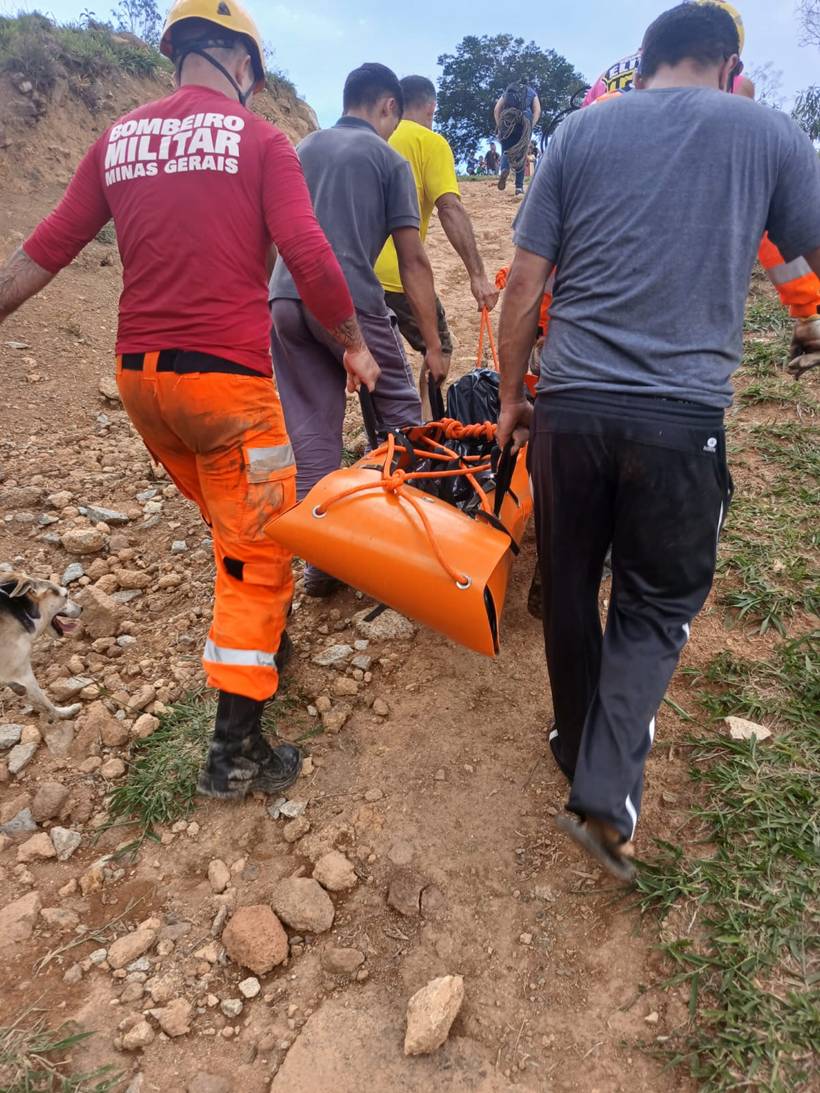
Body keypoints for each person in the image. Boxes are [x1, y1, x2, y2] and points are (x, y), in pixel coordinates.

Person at [0, 0, 381, 801]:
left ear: (178, 55)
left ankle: (263, 646)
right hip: (228, 385)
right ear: (244, 65)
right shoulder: (260, 139)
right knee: (259, 553)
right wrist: (351, 341)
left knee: (231, 515)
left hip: (145, 383)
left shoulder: (119, 139)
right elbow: (309, 254)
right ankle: (235, 752)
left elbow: (47, 248)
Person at [497, 1, 820, 880]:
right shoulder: (769, 134)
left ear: (648, 61)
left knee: (568, 587)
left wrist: (514, 400)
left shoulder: (575, 133)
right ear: (724, 63)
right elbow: (807, 257)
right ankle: (605, 787)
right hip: (680, 423)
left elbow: (523, 285)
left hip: (567, 410)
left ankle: (574, 741)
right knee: (653, 604)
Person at [269, 64, 443, 598]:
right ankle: (419, 550)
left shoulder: (302, 148)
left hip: (284, 300)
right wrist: (433, 345)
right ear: (388, 106)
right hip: (348, 304)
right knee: (403, 417)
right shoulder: (387, 159)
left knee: (313, 433)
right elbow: (412, 262)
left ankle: (323, 565)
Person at [583, 1, 820, 362]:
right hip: (679, 201)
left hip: (603, 206)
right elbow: (738, 121)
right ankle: (809, 315)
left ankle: (542, 333)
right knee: (766, 200)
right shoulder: (729, 80)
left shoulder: (608, 75)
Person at [374, 75, 498, 415]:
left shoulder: (372, 136)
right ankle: (429, 430)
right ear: (431, 107)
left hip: (354, 272)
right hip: (397, 274)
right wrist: (478, 276)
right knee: (438, 350)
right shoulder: (429, 141)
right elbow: (450, 208)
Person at [494, 81, 541, 196]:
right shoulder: (532, 92)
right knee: (521, 155)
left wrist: (499, 125)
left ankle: (504, 169)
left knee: (506, 150)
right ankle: (519, 188)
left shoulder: (508, 91)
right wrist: (530, 126)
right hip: (524, 122)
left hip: (507, 121)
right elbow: (537, 110)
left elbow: (496, 109)